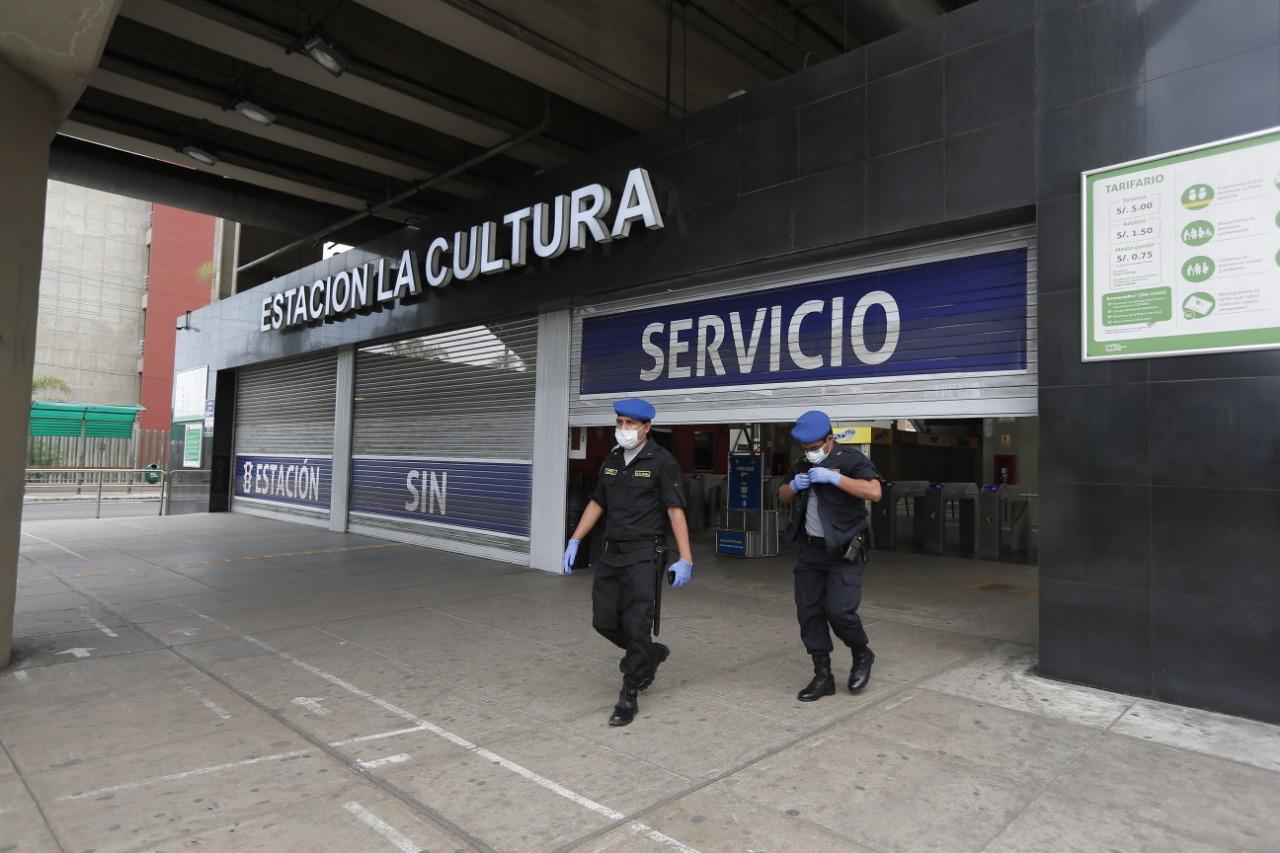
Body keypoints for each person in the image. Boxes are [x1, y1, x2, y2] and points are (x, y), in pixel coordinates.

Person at [562, 398, 694, 727]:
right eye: (620, 422)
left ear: (646, 427)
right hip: (612, 553)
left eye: (630, 423)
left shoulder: (663, 462)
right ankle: (649, 652)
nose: (623, 429)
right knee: (603, 620)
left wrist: (686, 558)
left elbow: (675, 510)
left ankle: (629, 691)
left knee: (636, 624)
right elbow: (598, 502)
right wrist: (575, 539)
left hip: (645, 554)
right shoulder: (612, 459)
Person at [777, 411, 883, 701]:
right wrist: (793, 487)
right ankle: (823, 675)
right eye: (805, 448)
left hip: (844, 551)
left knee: (839, 611)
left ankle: (862, 652)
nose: (809, 453)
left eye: (814, 447)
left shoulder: (851, 460)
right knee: (809, 612)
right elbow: (782, 494)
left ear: (829, 439)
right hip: (810, 550)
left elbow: (874, 492)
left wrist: (834, 479)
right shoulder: (801, 463)